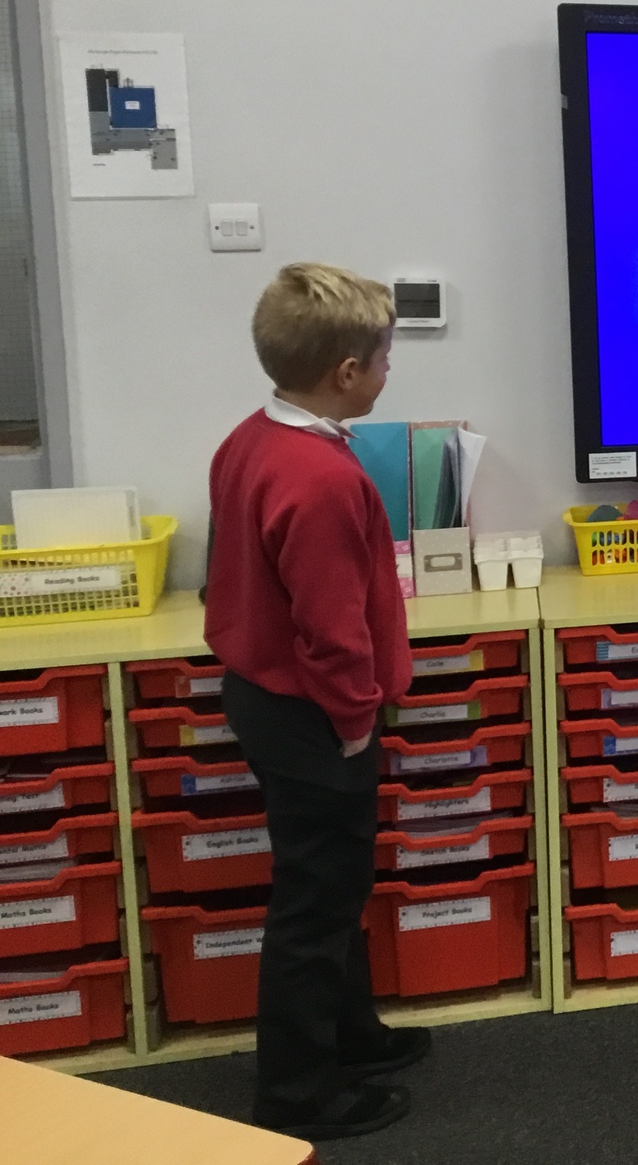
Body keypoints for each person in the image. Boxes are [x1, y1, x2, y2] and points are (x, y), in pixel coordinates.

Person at [204, 263, 422, 1140]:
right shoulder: (321, 477)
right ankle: (297, 1095)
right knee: (315, 902)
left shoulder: (251, 438)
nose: (388, 372)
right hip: (314, 716)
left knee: (337, 883)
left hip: (266, 698)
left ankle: (351, 1036)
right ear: (346, 371)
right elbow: (331, 629)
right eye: (384, 360)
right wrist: (355, 720)